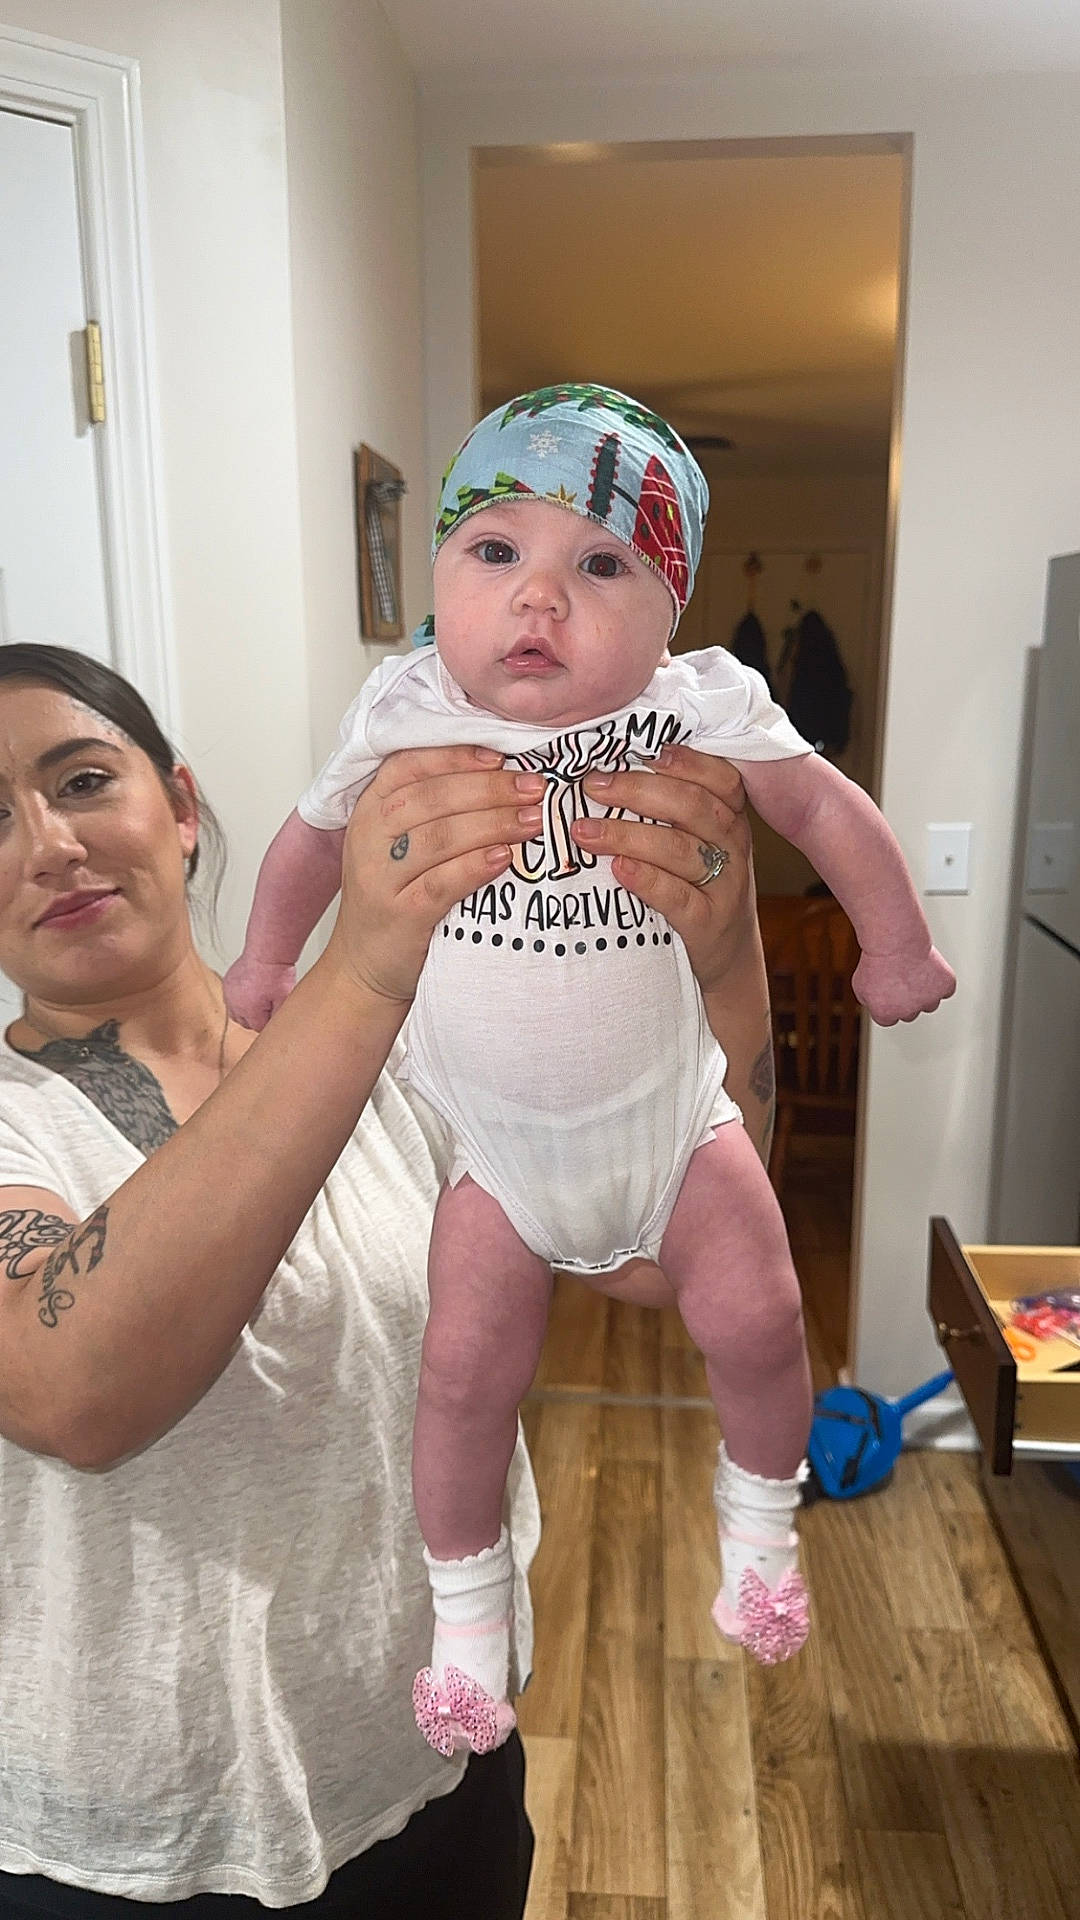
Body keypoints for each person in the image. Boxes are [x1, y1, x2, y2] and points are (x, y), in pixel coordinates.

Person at [227, 383, 956, 1748]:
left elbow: (826, 809)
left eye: (601, 564)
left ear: (671, 607)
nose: (538, 601)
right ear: (440, 573)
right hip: (487, 1152)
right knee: (462, 1380)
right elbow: (307, 840)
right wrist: (269, 960)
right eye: (495, 552)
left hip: (675, 1123)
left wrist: (895, 941)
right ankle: (465, 1625)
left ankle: (759, 1539)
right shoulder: (404, 707)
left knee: (759, 1319)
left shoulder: (706, 703)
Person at [0, 640, 765, 1913]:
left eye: (81, 781)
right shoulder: (31, 1119)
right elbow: (70, 1387)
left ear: (180, 809)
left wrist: (726, 961)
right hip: (132, 1850)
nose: (49, 845)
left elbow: (653, 1264)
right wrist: (361, 964)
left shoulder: (424, 1041)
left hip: (436, 1757)